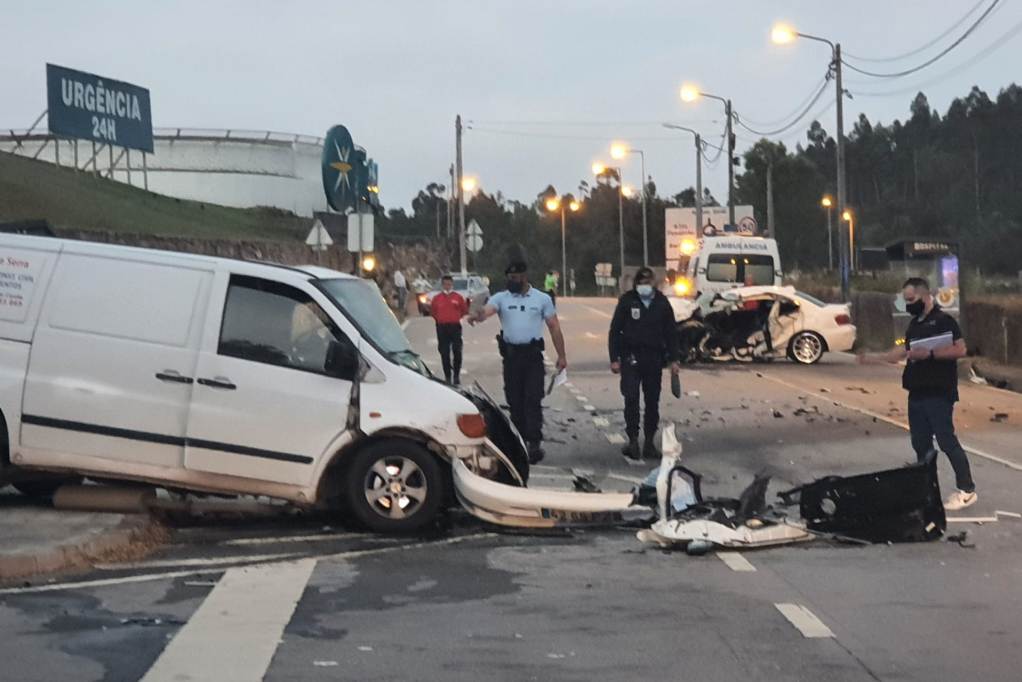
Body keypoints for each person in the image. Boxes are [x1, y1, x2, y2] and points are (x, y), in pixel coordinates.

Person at [859, 277, 977, 510]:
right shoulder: (915, 325)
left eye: (911, 299)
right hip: (917, 392)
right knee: (920, 443)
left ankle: (967, 489)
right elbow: (900, 352)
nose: (908, 304)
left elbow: (960, 349)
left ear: (925, 296)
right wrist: (871, 358)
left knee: (946, 440)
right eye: (905, 300)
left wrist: (930, 355)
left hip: (939, 391)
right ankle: (926, 491)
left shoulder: (944, 321)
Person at [471, 258, 567, 464]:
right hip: (512, 358)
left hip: (532, 357)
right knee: (515, 400)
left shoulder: (542, 299)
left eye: (515, 278)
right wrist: (477, 314)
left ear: (524, 277)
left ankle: (534, 443)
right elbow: (487, 312)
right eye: (509, 278)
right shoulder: (501, 298)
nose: (511, 281)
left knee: (533, 399)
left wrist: (562, 355)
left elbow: (554, 327)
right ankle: (519, 440)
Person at [609, 267, 681, 461]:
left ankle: (649, 442)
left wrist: (674, 359)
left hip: (653, 358)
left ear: (654, 284)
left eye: (648, 283)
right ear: (636, 284)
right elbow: (615, 331)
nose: (644, 286)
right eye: (641, 283)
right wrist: (614, 358)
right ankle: (633, 440)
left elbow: (671, 333)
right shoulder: (627, 301)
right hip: (631, 356)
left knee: (652, 402)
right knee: (631, 398)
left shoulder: (661, 303)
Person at [431, 274, 468, 385]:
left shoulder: (458, 297)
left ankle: (456, 375)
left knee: (457, 351)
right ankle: (448, 376)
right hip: (442, 327)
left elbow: (463, 310)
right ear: (442, 285)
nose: (447, 286)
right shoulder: (437, 298)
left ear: (452, 284)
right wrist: (440, 320)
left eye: (449, 284)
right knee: (444, 352)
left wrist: (455, 318)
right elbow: (433, 312)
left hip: (455, 327)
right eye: (445, 284)